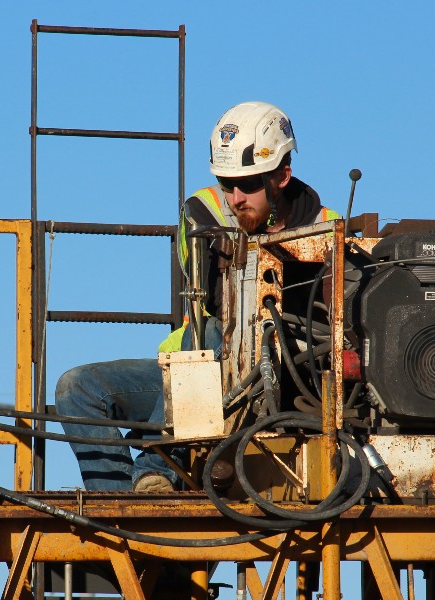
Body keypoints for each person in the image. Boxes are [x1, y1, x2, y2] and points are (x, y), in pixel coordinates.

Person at [55, 101, 339, 492]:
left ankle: (155, 466)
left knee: (209, 336)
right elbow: (215, 300)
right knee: (77, 387)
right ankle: (132, 514)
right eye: (227, 183)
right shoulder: (201, 210)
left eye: (250, 184)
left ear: (282, 176)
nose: (236, 197)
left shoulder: (328, 229)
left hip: (282, 383)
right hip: (200, 371)